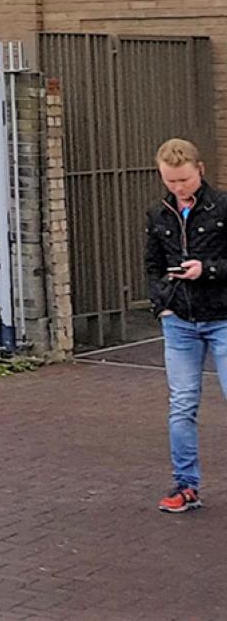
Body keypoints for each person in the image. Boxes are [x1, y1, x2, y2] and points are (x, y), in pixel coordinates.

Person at [145, 137, 227, 513]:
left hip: (223, 317)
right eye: (171, 181)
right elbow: (152, 266)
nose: (178, 188)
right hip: (179, 322)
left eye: (184, 180)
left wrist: (206, 270)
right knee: (181, 404)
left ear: (200, 171)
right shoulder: (158, 214)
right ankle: (186, 485)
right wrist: (162, 302)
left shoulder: (223, 207)